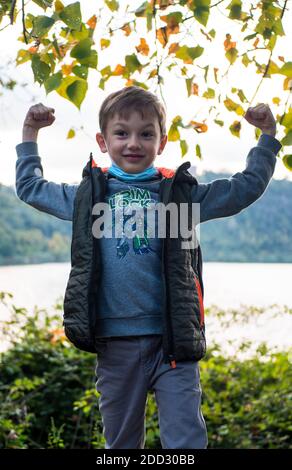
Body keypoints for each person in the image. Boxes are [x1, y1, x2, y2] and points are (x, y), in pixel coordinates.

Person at [15, 86, 281, 449]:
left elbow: (243, 189)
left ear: (162, 141)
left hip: (172, 342)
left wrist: (267, 137)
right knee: (122, 445)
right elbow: (30, 186)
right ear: (103, 141)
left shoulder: (181, 196)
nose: (133, 142)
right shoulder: (87, 196)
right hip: (114, 344)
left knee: (186, 443)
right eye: (121, 133)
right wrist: (30, 134)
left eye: (146, 133)